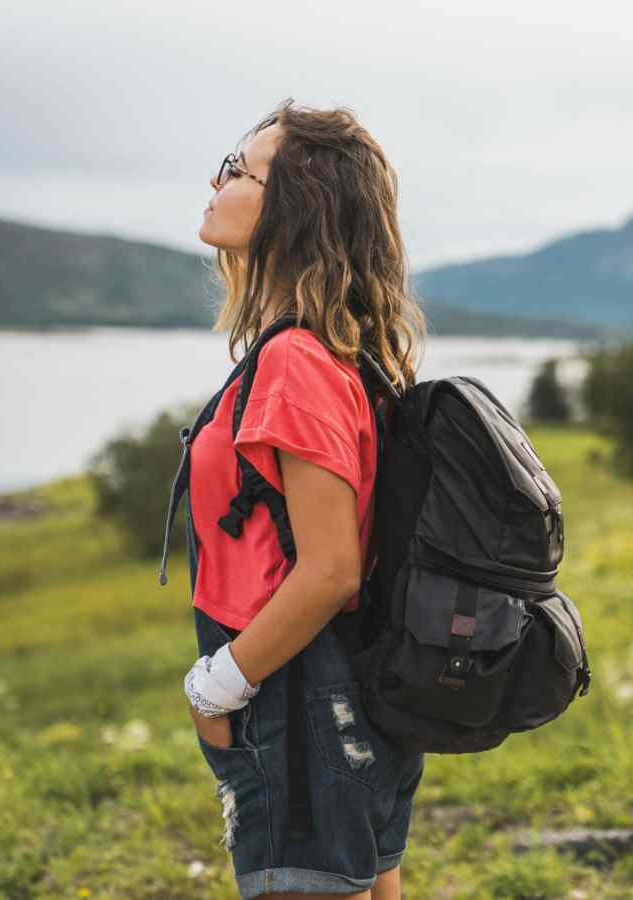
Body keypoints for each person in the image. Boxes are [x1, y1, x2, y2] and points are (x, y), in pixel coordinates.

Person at [182, 97, 428, 900]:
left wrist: (220, 680)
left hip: (300, 697)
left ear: (295, 206)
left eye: (240, 170)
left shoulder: (295, 360)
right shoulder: (338, 350)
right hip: (340, 688)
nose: (216, 183)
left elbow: (330, 570)